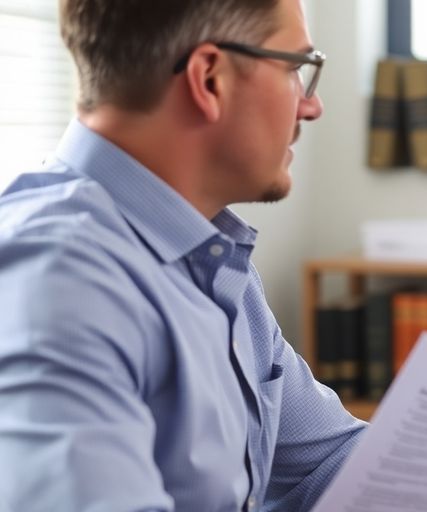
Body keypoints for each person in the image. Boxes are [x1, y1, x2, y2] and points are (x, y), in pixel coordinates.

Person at [0, 1, 365, 510]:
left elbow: (331, 462)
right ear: (209, 78)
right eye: (294, 69)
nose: (310, 106)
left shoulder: (209, 254)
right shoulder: (56, 281)